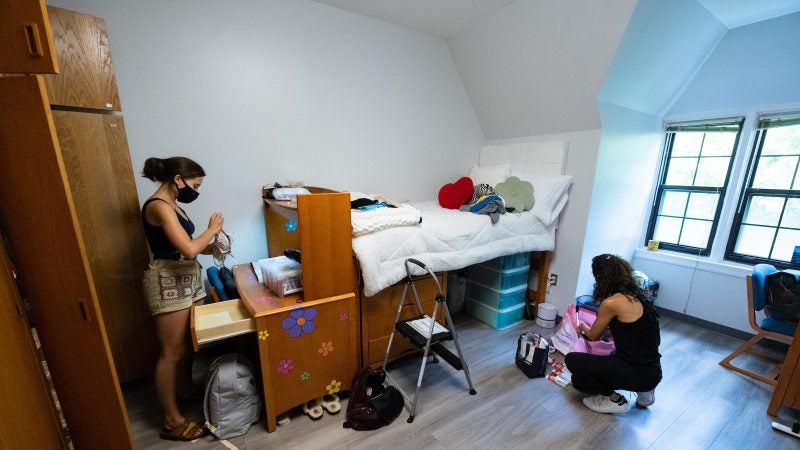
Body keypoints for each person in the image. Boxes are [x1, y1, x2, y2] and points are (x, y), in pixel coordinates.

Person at [141, 156, 224, 441]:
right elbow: (187, 249)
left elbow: (186, 247)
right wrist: (211, 229)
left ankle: (186, 389)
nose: (196, 192)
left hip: (186, 276)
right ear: (178, 179)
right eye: (195, 185)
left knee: (189, 343)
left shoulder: (173, 205)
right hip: (167, 281)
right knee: (171, 352)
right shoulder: (158, 207)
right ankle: (171, 420)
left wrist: (211, 246)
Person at [565, 254, 662, 414]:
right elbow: (628, 331)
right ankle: (645, 390)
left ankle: (615, 400)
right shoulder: (638, 297)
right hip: (652, 370)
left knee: (574, 365)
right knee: (584, 377)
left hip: (635, 370)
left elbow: (593, 336)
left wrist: (583, 326)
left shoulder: (611, 303)